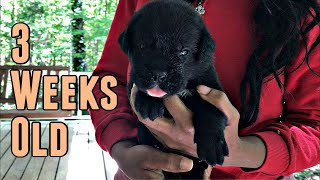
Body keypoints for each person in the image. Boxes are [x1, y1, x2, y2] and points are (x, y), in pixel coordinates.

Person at [89, 0, 320, 179]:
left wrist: (239, 150)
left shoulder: (302, 10)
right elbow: (106, 81)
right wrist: (121, 149)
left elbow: (315, 126)